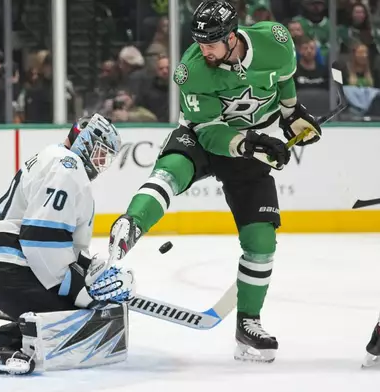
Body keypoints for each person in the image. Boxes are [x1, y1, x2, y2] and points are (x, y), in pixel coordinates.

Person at [107, 0, 322, 363]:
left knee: (262, 239)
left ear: (233, 36)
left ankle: (248, 324)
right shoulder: (192, 70)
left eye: (212, 43)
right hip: (206, 137)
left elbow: (284, 76)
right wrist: (248, 142)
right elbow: (209, 133)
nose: (203, 50)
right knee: (172, 168)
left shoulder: (276, 40)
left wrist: (290, 113)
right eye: (199, 42)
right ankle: (128, 228)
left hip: (250, 145)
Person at [0, 114, 135, 375]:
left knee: (82, 313)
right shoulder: (67, 168)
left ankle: (10, 333)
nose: (101, 164)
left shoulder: (56, 158)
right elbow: (40, 239)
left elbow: (52, 239)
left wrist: (90, 270)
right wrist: (80, 290)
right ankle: (23, 338)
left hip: (3, 269)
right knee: (85, 320)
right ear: (85, 141)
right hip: (12, 272)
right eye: (100, 153)